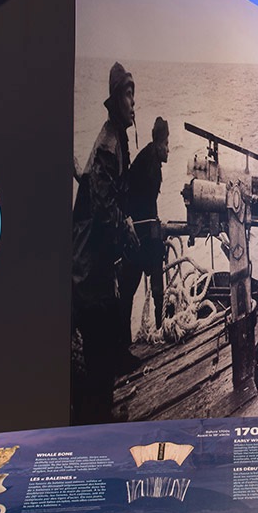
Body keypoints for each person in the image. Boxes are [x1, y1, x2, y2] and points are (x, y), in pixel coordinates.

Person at [72, 61, 139, 424]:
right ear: (115, 101)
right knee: (98, 367)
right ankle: (93, 432)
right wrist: (127, 233)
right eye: (126, 94)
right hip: (89, 274)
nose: (132, 101)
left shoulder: (118, 140)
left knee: (104, 359)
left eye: (133, 93)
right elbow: (103, 211)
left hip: (99, 270)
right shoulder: (108, 146)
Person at [121, 116, 171, 329]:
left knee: (128, 290)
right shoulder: (152, 164)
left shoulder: (148, 156)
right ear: (159, 142)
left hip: (137, 226)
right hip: (139, 231)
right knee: (154, 263)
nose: (168, 150)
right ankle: (160, 326)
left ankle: (127, 337)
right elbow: (146, 200)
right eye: (166, 144)